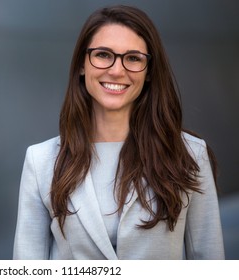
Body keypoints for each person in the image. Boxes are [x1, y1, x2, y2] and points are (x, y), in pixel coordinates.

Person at [13, 5, 225, 259]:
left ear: (148, 72)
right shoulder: (41, 162)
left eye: (133, 58)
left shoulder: (190, 155)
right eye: (103, 54)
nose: (116, 70)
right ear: (82, 64)